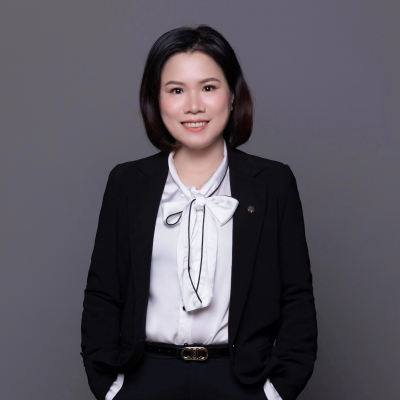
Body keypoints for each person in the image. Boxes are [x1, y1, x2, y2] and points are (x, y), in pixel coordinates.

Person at [80, 24, 317, 400]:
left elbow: (296, 298)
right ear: (156, 99)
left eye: (208, 87)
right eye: (176, 90)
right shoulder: (127, 183)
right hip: (144, 379)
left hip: (242, 381)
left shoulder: (273, 183)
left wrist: (275, 393)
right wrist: (111, 389)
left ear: (233, 95)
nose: (193, 105)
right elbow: (103, 294)